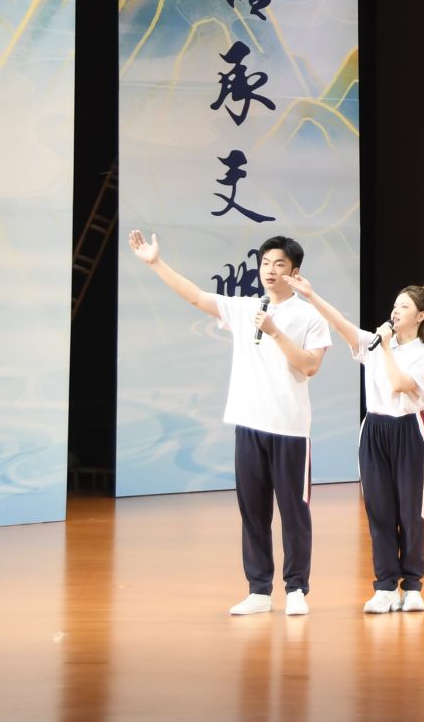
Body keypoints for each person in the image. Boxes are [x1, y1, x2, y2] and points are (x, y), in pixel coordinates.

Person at [127, 229, 330, 616]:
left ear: (294, 272)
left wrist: (275, 332)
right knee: (253, 512)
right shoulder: (243, 308)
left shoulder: (308, 316)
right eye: (265, 263)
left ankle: (296, 590)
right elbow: (196, 296)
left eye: (279, 265)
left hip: (289, 429)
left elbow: (310, 366)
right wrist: (156, 263)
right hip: (248, 424)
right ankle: (258, 591)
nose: (269, 270)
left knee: (294, 512)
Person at [291, 275, 424, 613]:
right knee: (379, 511)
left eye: (404, 307)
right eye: (395, 305)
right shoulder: (373, 343)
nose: (395, 311)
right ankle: (385, 586)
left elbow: (400, 384)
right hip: (374, 429)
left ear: (420, 316)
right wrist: (311, 294)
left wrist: (385, 346)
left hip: (409, 431)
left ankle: (412, 586)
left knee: (411, 513)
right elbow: (339, 323)